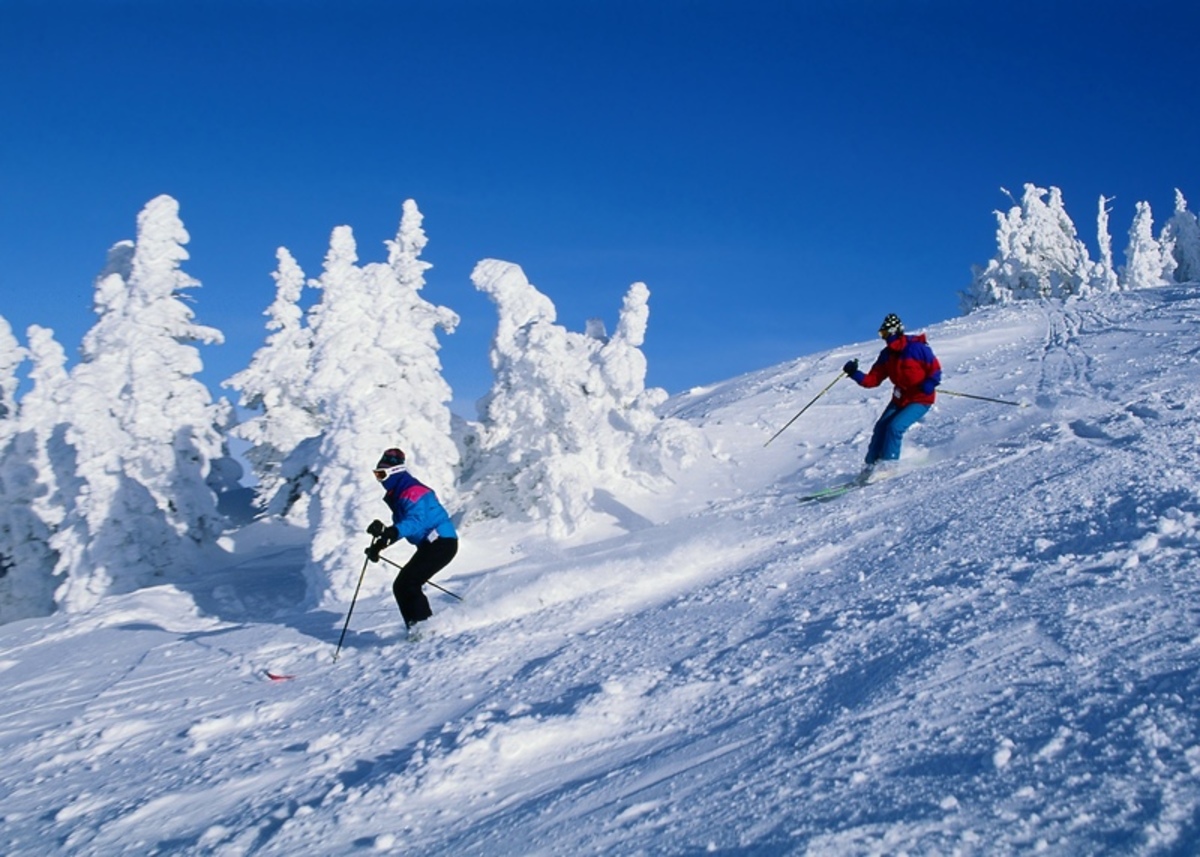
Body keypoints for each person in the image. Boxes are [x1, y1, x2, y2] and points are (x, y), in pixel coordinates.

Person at [365, 447, 459, 631]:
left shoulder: (412, 491)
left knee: (407, 583)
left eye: (381, 474)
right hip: (431, 545)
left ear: (394, 472)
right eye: (376, 474)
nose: (379, 479)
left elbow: (416, 521)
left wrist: (389, 531)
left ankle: (423, 629)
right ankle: (418, 629)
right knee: (403, 585)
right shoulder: (400, 495)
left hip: (442, 543)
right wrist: (380, 544)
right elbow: (403, 526)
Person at [842, 313, 941, 481]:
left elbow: (935, 370)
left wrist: (930, 383)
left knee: (895, 427)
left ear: (894, 332)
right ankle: (870, 466)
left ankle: (889, 466)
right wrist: (854, 373)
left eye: (885, 334)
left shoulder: (917, 348)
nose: (883, 338)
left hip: (920, 399)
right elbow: (872, 380)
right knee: (881, 427)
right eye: (881, 335)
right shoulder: (887, 355)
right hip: (900, 398)